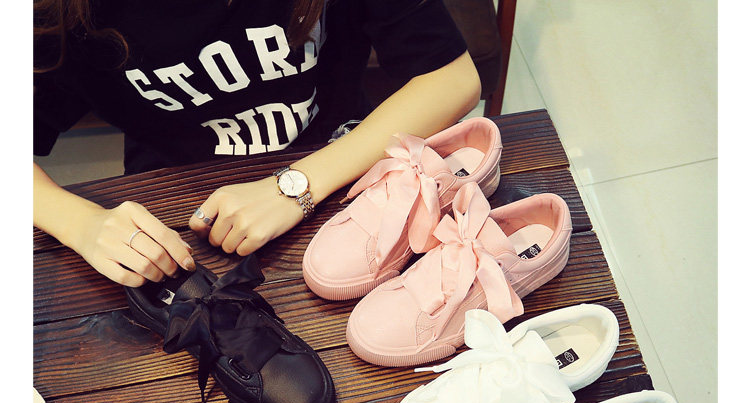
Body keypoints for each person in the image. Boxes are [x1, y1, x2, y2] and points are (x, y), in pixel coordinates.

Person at [33, 0, 481, 287]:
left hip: (347, 167)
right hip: (175, 216)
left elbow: (453, 78)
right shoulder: (59, 17)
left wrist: (295, 186)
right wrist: (80, 223)